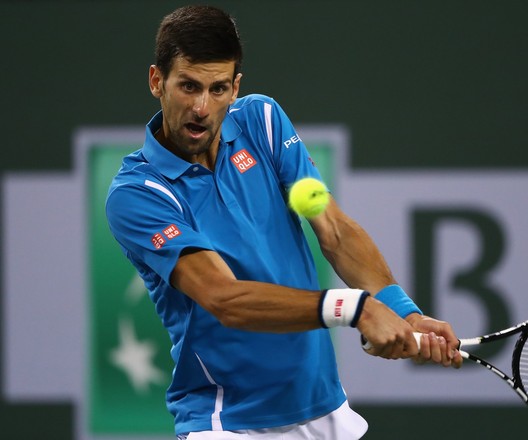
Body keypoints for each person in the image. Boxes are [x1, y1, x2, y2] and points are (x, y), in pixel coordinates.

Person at [105, 5, 462, 439]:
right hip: (227, 423)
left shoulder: (264, 123)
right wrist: (354, 307)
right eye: (188, 86)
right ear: (156, 81)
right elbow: (225, 298)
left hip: (324, 409)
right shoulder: (138, 193)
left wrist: (404, 311)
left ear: (236, 88)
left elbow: (333, 230)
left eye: (218, 89)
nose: (201, 107)